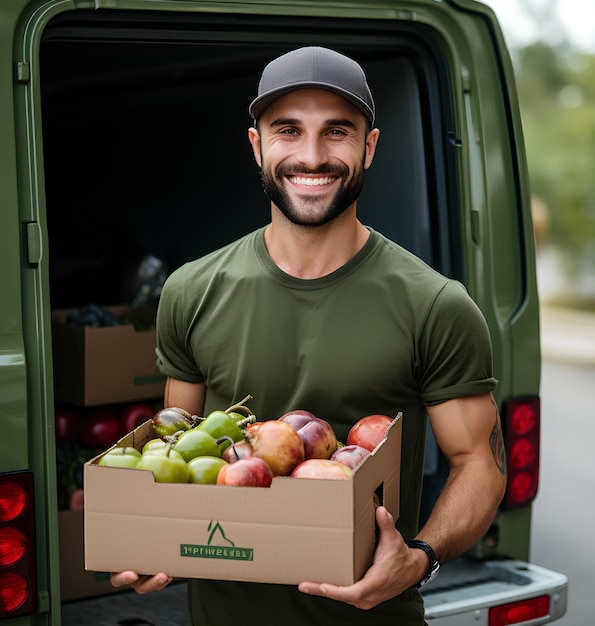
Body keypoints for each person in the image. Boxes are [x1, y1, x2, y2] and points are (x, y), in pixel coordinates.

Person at [111, 45, 507, 625]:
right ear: (257, 146)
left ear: (369, 147)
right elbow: (181, 449)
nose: (312, 155)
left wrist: (419, 559)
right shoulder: (191, 291)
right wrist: (146, 537)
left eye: (338, 132)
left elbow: (479, 464)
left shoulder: (435, 304)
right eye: (288, 131)